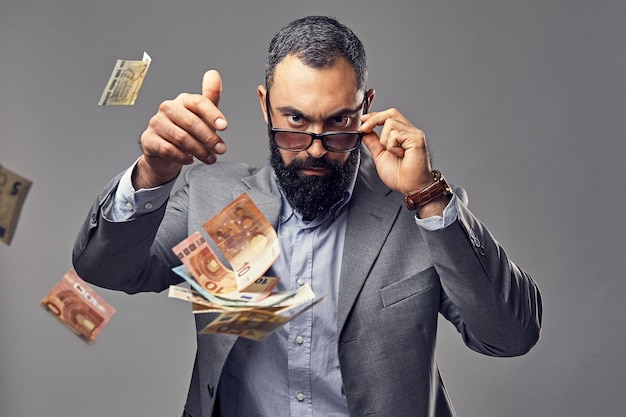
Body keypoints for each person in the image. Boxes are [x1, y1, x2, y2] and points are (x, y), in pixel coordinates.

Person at [72, 15, 542, 417]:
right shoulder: (210, 197)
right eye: (295, 121)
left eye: (338, 122)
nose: (315, 149)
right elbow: (106, 268)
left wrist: (428, 198)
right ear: (264, 105)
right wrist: (153, 172)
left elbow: (510, 336)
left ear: (365, 108)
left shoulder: (420, 211)